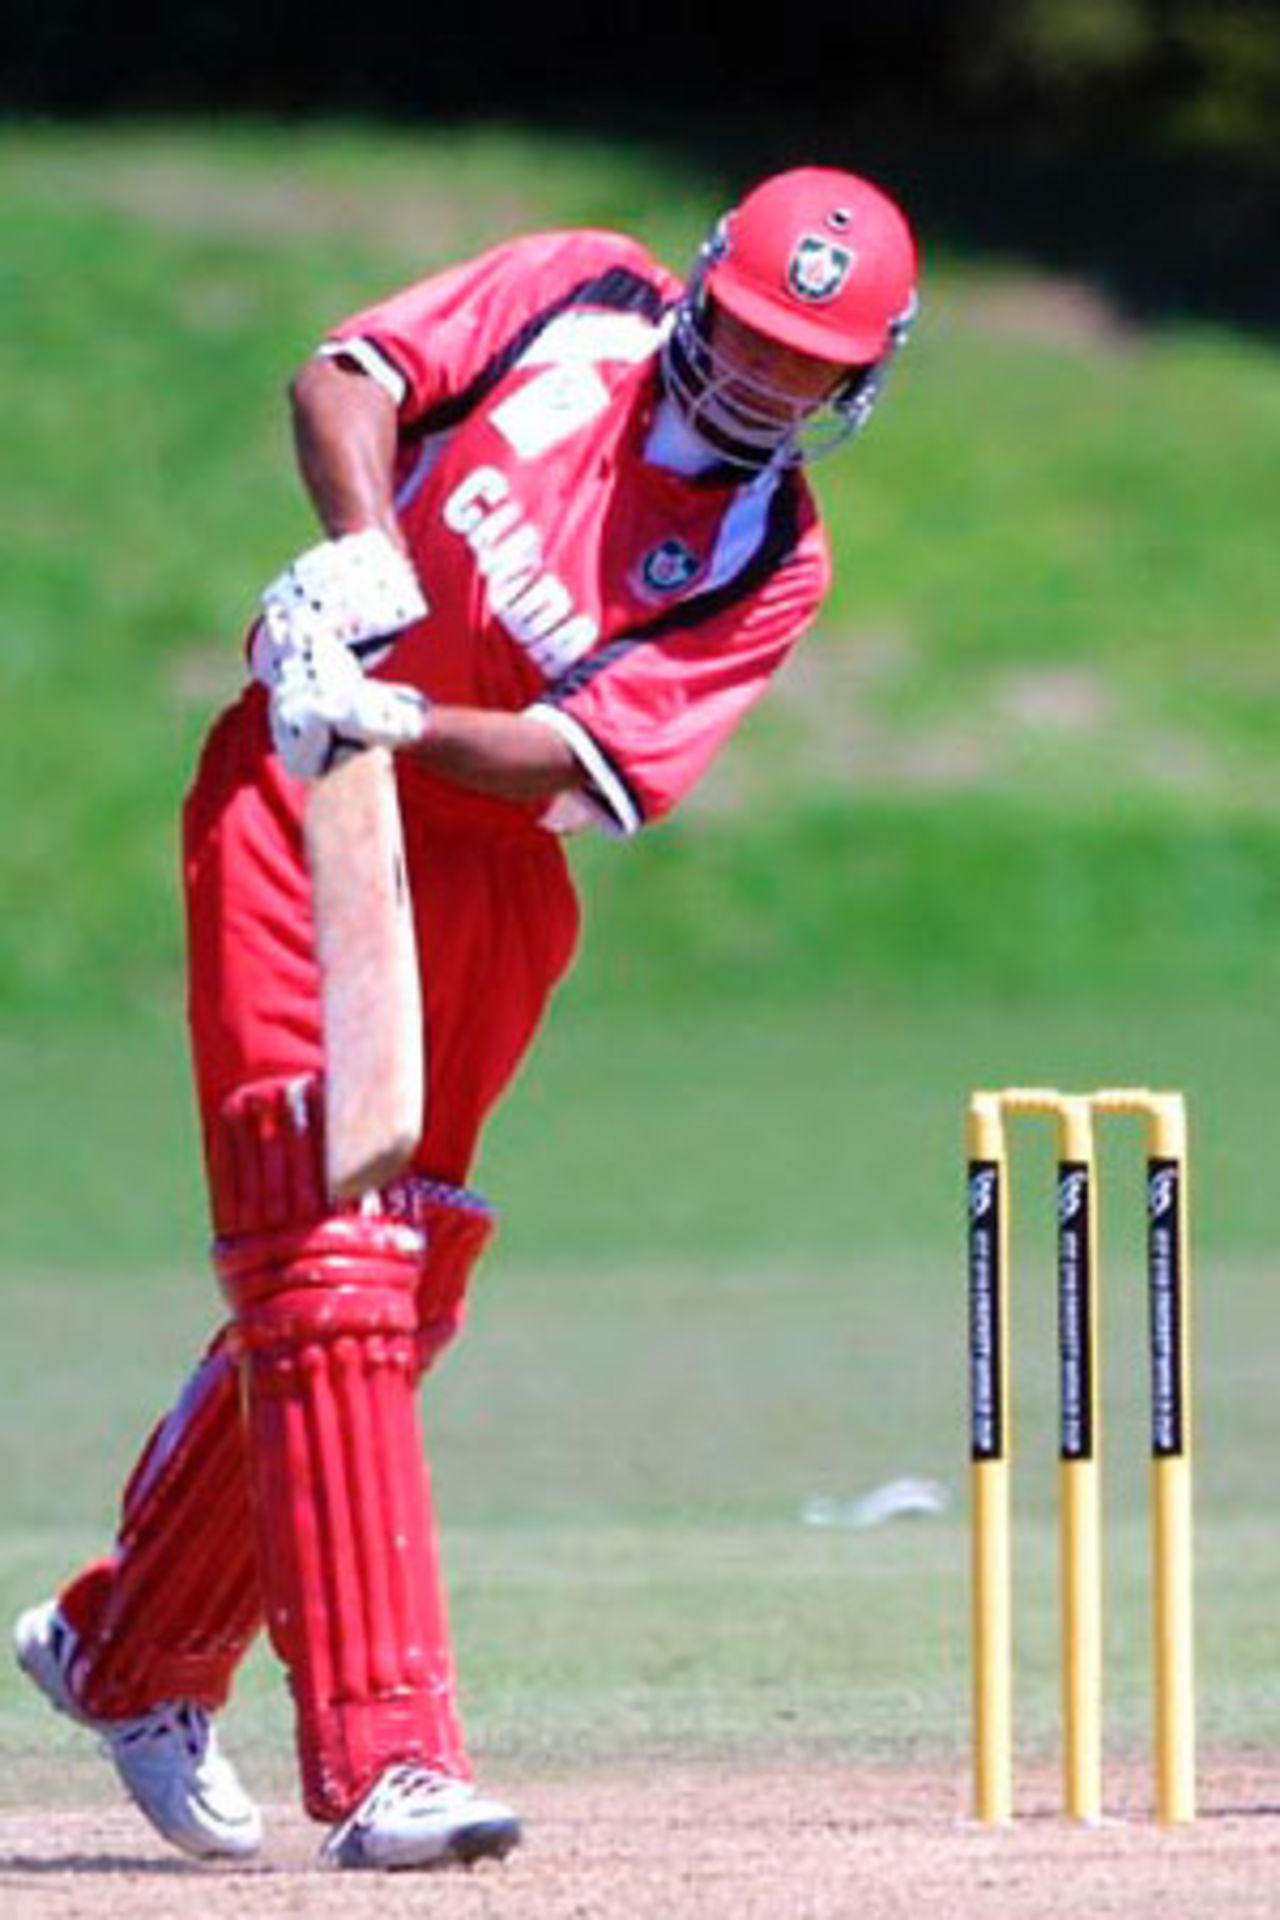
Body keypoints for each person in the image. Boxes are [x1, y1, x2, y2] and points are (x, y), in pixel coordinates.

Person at [13, 164, 918, 1872]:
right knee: (325, 1264)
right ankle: (387, 1765)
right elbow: (346, 378)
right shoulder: (577, 293)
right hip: (298, 783)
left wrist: (411, 711)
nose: (760, 379)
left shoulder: (769, 554)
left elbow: (592, 766)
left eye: (808, 364)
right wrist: (360, 572)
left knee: (395, 1282)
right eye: (745, 334)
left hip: (483, 866)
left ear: (855, 384)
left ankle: (126, 1650)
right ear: (700, 287)